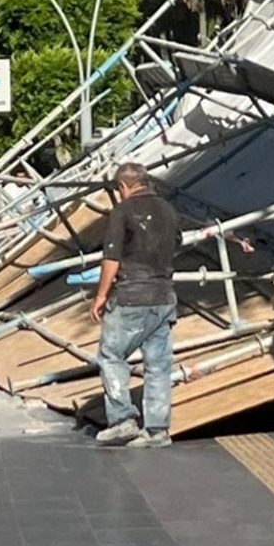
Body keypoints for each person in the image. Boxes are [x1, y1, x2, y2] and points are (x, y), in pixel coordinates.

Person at [91, 162, 181, 448]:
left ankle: (122, 420)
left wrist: (101, 296)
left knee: (111, 356)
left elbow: (112, 258)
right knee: (158, 364)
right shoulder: (168, 210)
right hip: (164, 296)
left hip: (131, 296)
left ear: (123, 187)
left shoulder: (122, 211)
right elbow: (176, 245)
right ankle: (157, 430)